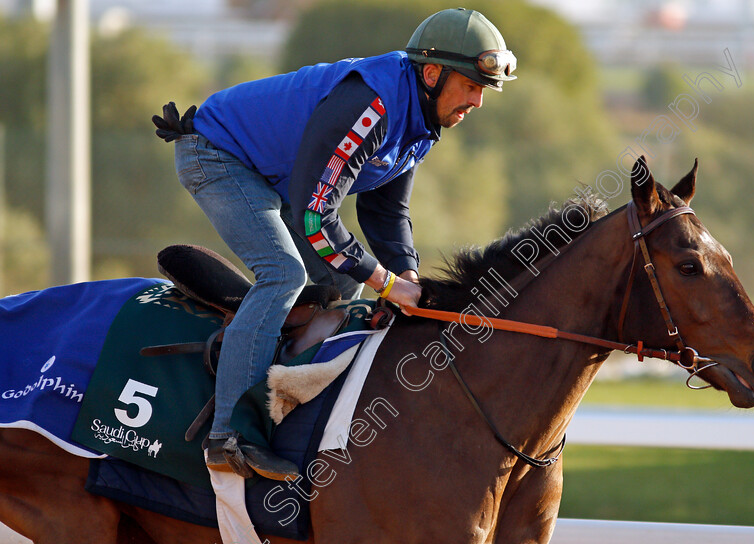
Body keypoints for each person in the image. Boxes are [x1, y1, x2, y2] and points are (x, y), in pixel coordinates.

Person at [158, 7, 516, 480]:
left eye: (483, 89)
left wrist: (406, 275)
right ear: (433, 73)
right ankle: (229, 436)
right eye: (471, 85)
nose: (478, 101)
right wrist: (388, 283)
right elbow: (314, 215)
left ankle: (282, 398)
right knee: (285, 273)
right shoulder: (376, 104)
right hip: (217, 155)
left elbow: (385, 211)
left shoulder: (421, 120)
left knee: (340, 292)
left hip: (274, 178)